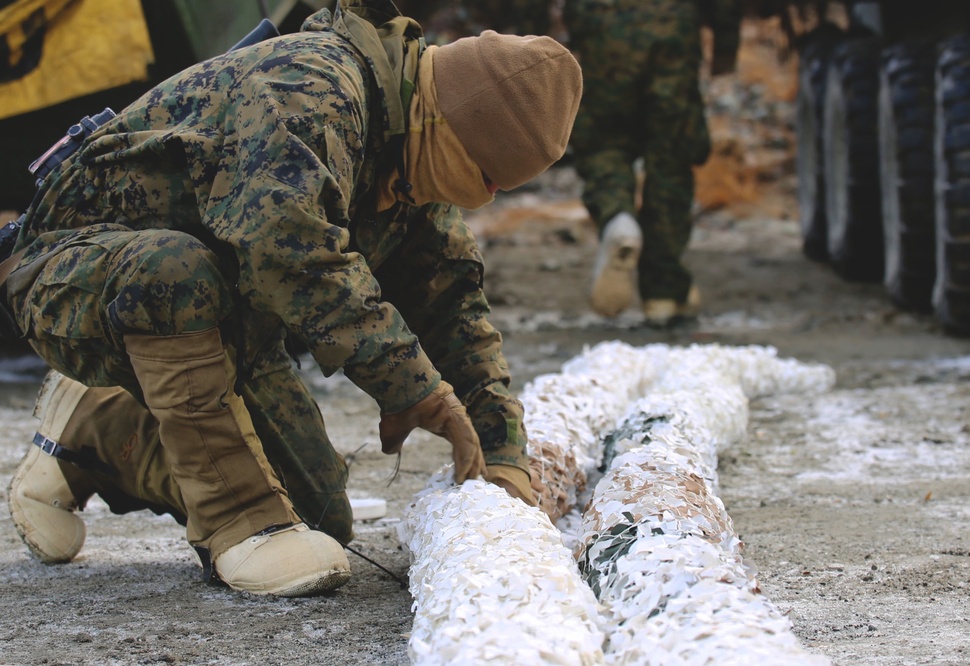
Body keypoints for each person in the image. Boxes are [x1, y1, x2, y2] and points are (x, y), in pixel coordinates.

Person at [0, 0, 582, 597]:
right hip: (76, 270)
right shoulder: (310, 88)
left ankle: (96, 427)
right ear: (448, 123)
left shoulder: (411, 140)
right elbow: (287, 249)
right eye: (484, 176)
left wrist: (501, 448)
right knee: (176, 270)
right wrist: (412, 387)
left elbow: (452, 303)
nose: (484, 197)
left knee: (319, 515)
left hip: (221, 325)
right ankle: (238, 523)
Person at [563, 0, 740, 325]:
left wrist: (535, 36)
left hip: (602, 28)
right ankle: (663, 290)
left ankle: (618, 218)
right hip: (673, 28)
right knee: (670, 158)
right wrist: (726, 47)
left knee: (605, 144)